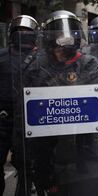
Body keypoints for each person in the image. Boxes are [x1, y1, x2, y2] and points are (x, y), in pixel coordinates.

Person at [23, 10, 98, 196]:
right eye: (60, 35)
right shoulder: (36, 67)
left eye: (71, 33)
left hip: (86, 155)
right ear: (49, 38)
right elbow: (25, 113)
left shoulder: (90, 64)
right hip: (50, 158)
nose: (66, 39)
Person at [0, 15, 39, 195]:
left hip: (29, 120)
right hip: (3, 117)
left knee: (26, 166)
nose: (23, 34)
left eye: (27, 32)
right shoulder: (2, 56)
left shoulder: (41, 58)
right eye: (19, 31)